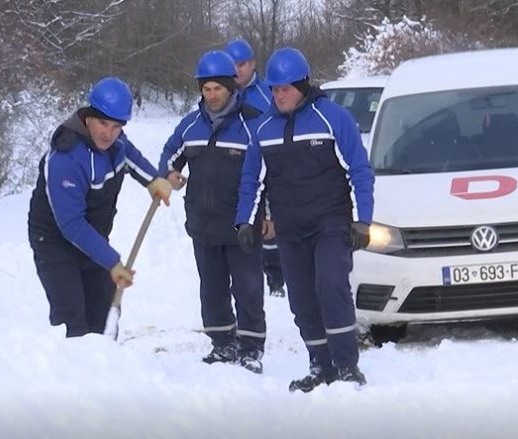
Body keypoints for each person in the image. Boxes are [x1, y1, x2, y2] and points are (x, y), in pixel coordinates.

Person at [235, 47, 374, 392]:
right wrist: (245, 222)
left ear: (302, 85)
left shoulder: (333, 118)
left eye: (285, 89)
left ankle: (346, 365)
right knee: (301, 299)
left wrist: (362, 220)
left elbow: (359, 170)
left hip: (331, 223)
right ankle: (320, 366)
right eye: (274, 89)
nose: (279, 96)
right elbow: (252, 180)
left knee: (331, 285)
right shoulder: (264, 129)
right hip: (290, 229)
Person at [28, 77, 172, 338]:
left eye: (117, 126)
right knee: (72, 320)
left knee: (103, 314)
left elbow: (130, 157)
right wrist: (112, 262)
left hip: (93, 235)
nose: (109, 133)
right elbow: (71, 224)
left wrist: (153, 180)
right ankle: (72, 362)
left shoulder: (116, 142)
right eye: (103, 124)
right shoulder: (66, 158)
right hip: (55, 241)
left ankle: (106, 360)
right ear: (88, 118)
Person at [158, 50, 267, 374]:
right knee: (212, 288)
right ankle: (222, 343)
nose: (212, 95)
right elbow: (170, 155)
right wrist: (170, 173)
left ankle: (251, 348)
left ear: (230, 87)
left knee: (248, 289)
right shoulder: (190, 125)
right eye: (206, 89)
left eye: (218, 88)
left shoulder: (253, 124)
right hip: (203, 224)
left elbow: (270, 174)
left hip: (242, 225)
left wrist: (270, 215)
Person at [225, 38, 285, 298]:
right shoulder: (221, 94)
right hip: (233, 171)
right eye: (233, 65)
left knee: (268, 225)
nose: (237, 70)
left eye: (242, 64)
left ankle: (275, 276)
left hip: (266, 166)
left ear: (252, 64)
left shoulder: (266, 95)